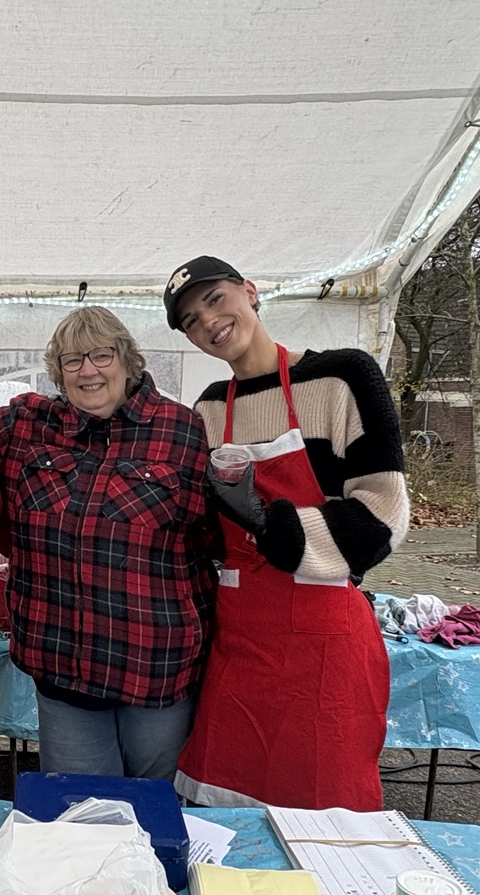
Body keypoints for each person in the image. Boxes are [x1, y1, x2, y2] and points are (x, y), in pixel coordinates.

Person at [162, 257, 408, 810]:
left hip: (324, 648)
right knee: (223, 810)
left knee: (322, 818)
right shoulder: (206, 408)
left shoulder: (342, 377)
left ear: (250, 291)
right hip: (238, 642)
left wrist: (272, 525)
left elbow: (383, 514)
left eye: (216, 299)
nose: (209, 321)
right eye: (192, 320)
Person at [0, 307, 219, 779]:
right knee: (82, 818)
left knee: (158, 809)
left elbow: (218, 537)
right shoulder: (28, 422)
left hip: (156, 666)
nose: (88, 370)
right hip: (64, 667)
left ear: (127, 360)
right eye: (72, 361)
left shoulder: (184, 430)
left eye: (101, 355)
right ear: (58, 374)